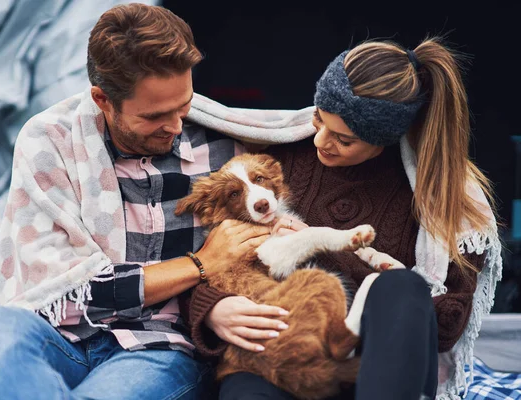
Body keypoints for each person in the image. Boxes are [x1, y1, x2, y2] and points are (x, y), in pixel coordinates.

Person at [0, 4, 290, 400]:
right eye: (155, 116)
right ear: (103, 99)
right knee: (0, 324)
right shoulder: (51, 142)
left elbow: (326, 151)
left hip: (157, 347)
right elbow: (62, 291)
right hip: (61, 338)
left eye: (184, 103)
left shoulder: (227, 147)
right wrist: (200, 264)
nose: (176, 125)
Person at [186, 38, 501, 400]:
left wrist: (321, 244)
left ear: (383, 138)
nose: (320, 140)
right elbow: (213, 259)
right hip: (283, 360)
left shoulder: (442, 196)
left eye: (343, 139)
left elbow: (447, 326)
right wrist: (212, 309)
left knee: (403, 286)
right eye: (319, 119)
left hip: (379, 369)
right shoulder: (275, 163)